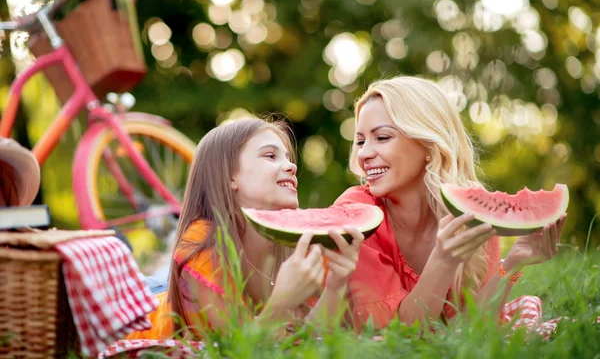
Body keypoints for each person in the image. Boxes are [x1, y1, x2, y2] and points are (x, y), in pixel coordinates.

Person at [334, 76, 566, 333]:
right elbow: (396, 336)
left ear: (429, 144)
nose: (363, 153)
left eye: (382, 137)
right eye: (360, 141)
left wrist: (514, 262)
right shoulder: (356, 212)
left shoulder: (472, 214)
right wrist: (443, 260)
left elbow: (469, 330)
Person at [128, 118, 364, 340]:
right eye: (271, 156)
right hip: (140, 318)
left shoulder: (301, 246)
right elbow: (234, 349)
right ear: (230, 176)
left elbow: (308, 341)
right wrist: (282, 303)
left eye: (288, 157)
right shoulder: (201, 242)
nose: (291, 165)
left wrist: (336, 284)